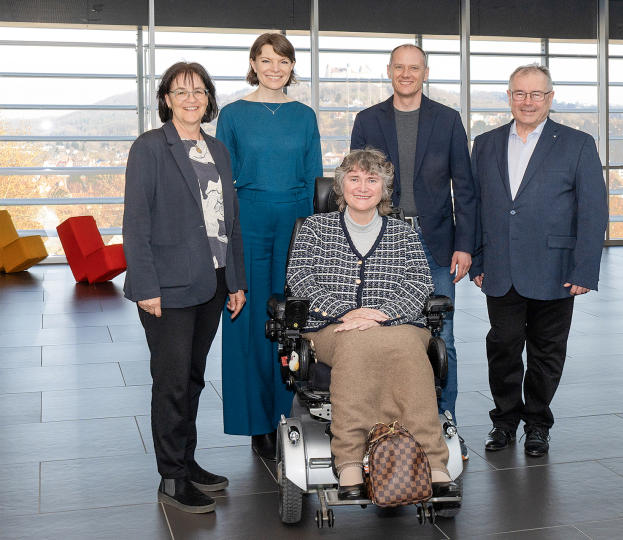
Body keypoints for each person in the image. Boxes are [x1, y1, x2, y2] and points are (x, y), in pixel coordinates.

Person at [287, 148, 460, 502]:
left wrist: (380, 315)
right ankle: (348, 459)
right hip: (331, 329)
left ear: (384, 189)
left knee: (408, 344)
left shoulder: (404, 233)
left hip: (397, 325)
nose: (362, 187)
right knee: (356, 342)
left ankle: (433, 459)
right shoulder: (314, 229)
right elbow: (300, 279)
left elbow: (419, 285)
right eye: (354, 179)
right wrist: (347, 312)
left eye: (372, 179)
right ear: (340, 186)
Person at [123, 62, 247, 513]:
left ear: (209, 98)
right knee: (172, 382)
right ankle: (171, 477)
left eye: (199, 91)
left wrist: (235, 281)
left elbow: (228, 221)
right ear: (167, 99)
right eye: (181, 91)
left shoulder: (217, 148)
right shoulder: (150, 147)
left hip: (212, 282)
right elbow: (135, 222)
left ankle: (187, 460)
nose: (191, 98)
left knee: (193, 378)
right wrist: (145, 285)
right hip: (167, 286)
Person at [470, 63, 608, 457]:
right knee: (503, 347)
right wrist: (477, 260)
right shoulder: (486, 143)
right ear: (509, 96)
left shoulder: (577, 143)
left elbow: (593, 209)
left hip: (556, 268)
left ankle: (537, 425)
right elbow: (475, 205)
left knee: (547, 351)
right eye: (519, 93)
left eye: (536, 94)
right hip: (499, 267)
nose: (527, 101)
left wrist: (585, 268)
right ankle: (504, 421)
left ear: (550, 98)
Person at [350, 44, 476, 447]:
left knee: (444, 338)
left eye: (414, 68)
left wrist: (465, 244)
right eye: (399, 67)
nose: (406, 74)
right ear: (389, 71)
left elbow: (466, 189)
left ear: (426, 72)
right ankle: (390, 424)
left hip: (437, 242)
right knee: (387, 333)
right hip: (383, 242)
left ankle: (445, 423)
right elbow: (355, 184)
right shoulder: (367, 120)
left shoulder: (449, 120)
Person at [216, 33, 322, 460]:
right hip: (249, 217)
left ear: (292, 66)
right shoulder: (234, 114)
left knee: (293, 318)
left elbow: (315, 179)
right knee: (247, 316)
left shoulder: (305, 115)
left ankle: (288, 416)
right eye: (266, 60)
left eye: (283, 60)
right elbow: (224, 179)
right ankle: (256, 422)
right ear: (253, 64)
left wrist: (317, 234)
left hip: (296, 219)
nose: (274, 67)